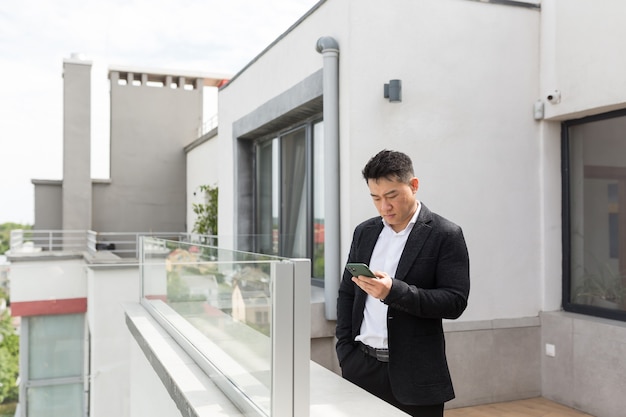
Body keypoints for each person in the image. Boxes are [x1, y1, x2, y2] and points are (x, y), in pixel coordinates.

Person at [336, 150, 470, 417]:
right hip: (361, 368)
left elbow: (455, 302)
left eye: (392, 195)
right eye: (376, 198)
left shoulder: (446, 234)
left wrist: (394, 292)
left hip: (417, 376)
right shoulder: (364, 232)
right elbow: (347, 293)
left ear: (414, 185)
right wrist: (345, 352)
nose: (384, 206)